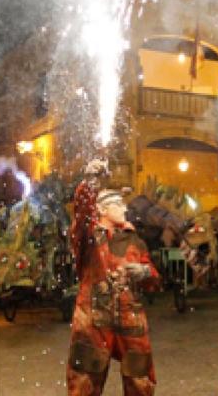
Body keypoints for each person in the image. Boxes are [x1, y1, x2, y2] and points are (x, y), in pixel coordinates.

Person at [67, 161, 159, 395]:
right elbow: (81, 215)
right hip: (94, 321)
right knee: (85, 383)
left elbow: (153, 279)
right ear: (101, 209)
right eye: (117, 204)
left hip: (131, 319)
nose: (124, 209)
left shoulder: (134, 240)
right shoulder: (88, 239)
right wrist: (89, 182)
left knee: (140, 381)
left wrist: (146, 272)